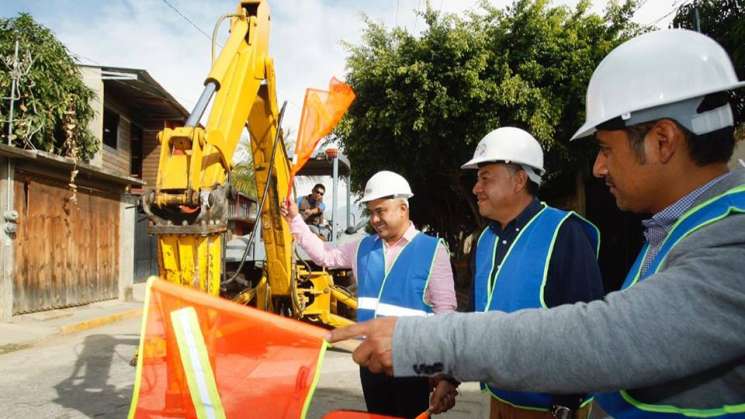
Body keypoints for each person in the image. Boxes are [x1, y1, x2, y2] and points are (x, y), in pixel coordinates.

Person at [328, 29, 745, 417]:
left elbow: (602, 337)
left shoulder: (732, 236)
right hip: (502, 396)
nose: (599, 168)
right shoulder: (672, 230)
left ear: (663, 141)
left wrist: (418, 342)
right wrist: (449, 372)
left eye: (604, 149)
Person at [442, 126, 604, 418]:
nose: (476, 188)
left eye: (485, 178)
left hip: (551, 409)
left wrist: (565, 404)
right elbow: (474, 314)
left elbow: (586, 327)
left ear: (519, 180)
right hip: (499, 400)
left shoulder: (564, 233)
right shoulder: (486, 240)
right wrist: (450, 377)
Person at [281, 170, 457, 419]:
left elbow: (445, 314)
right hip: (372, 363)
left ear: (403, 208)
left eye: (381, 211)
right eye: (371, 212)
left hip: (413, 365)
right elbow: (324, 255)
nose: (374, 219)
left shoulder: (432, 250)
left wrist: (445, 373)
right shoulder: (362, 247)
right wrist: (295, 220)